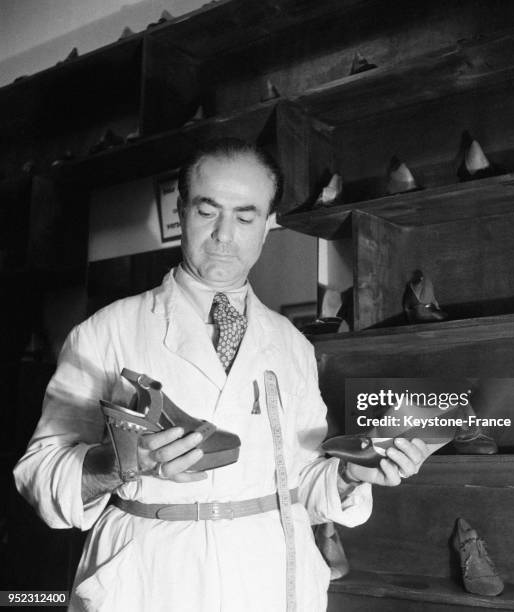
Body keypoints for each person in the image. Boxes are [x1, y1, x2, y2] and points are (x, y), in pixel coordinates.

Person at [13, 138, 437, 612]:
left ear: (267, 226)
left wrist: (351, 475)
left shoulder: (292, 345)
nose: (223, 234)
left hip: (269, 584)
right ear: (181, 212)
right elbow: (40, 476)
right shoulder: (105, 331)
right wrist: (120, 462)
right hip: (150, 581)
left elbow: (303, 483)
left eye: (245, 215)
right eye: (207, 211)